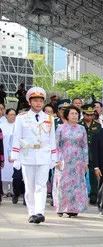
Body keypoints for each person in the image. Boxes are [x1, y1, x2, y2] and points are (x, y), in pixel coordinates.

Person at [10, 87, 58, 224]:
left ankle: (39, 212)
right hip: (27, 155)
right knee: (30, 186)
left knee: (41, 185)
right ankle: (31, 212)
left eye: (40, 101)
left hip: (43, 155)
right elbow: (17, 137)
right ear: (30, 102)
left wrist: (53, 157)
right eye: (35, 101)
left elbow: (52, 139)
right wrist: (16, 157)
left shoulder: (49, 118)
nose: (38, 103)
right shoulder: (22, 118)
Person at [53, 106, 88, 217]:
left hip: (78, 161)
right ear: (67, 115)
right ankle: (61, 207)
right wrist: (56, 160)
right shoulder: (61, 128)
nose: (74, 115)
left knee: (76, 185)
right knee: (63, 183)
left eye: (76, 113)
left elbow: (85, 146)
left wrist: (85, 162)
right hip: (64, 159)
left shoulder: (81, 129)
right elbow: (56, 145)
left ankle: (73, 208)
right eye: (72, 113)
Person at [79, 104, 102, 205]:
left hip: (93, 152)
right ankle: (80, 196)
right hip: (81, 153)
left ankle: (94, 196)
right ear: (83, 114)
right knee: (81, 175)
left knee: (94, 175)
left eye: (91, 115)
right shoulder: (79, 124)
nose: (89, 117)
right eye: (87, 115)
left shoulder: (97, 125)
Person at [1, 108, 16, 196]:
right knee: (5, 170)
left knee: (13, 170)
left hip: (14, 151)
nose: (12, 116)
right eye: (11, 114)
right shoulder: (2, 125)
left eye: (14, 114)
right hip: (4, 151)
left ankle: (13, 190)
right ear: (6, 115)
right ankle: (5, 190)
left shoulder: (17, 125)